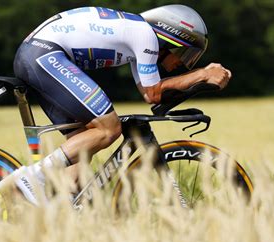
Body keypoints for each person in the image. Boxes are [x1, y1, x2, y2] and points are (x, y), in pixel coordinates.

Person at [12, 5, 232, 205]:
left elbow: (151, 96)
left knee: (84, 140)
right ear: (170, 37)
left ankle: (61, 206)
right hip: (44, 54)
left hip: (38, 54)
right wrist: (202, 74)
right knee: (109, 128)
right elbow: (154, 91)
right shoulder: (145, 36)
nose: (182, 63)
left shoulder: (138, 35)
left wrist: (199, 81)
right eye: (184, 53)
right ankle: (34, 177)